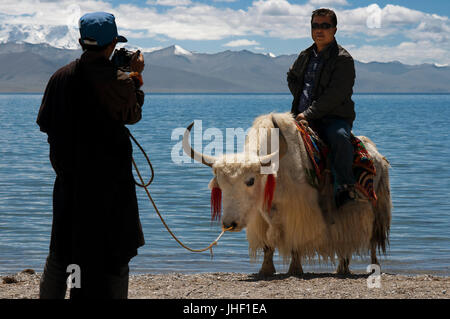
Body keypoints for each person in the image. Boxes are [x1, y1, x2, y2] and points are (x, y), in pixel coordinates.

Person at [37, 12, 146, 299]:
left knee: (61, 254)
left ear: (81, 42)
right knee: (114, 257)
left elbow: (46, 125)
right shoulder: (119, 82)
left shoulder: (58, 78)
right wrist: (136, 76)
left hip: (69, 184)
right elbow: (133, 114)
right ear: (112, 44)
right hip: (109, 190)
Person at [287, 8, 357, 208]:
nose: (319, 30)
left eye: (325, 26)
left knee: (339, 138)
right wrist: (300, 98)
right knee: (271, 138)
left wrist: (308, 113)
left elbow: (336, 95)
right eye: (315, 26)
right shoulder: (305, 55)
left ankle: (345, 186)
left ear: (334, 29)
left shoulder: (343, 59)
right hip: (299, 116)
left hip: (333, 117)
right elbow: (291, 77)